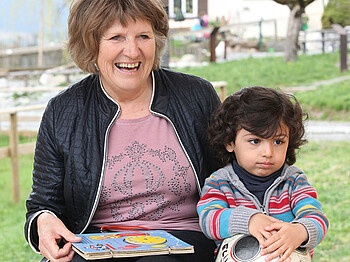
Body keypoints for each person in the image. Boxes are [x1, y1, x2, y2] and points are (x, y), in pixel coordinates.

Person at [25, 0, 221, 261]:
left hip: (183, 241)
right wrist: (45, 222)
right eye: (116, 37)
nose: (132, 51)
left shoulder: (196, 96)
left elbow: (235, 176)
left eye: (143, 36)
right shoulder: (63, 111)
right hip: (94, 244)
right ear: (91, 44)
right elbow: (43, 204)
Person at [197, 86, 329, 261]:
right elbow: (208, 219)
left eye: (278, 141)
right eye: (255, 141)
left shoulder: (294, 181)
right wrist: (249, 220)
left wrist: (300, 231)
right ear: (230, 142)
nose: (268, 152)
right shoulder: (220, 183)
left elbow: (316, 217)